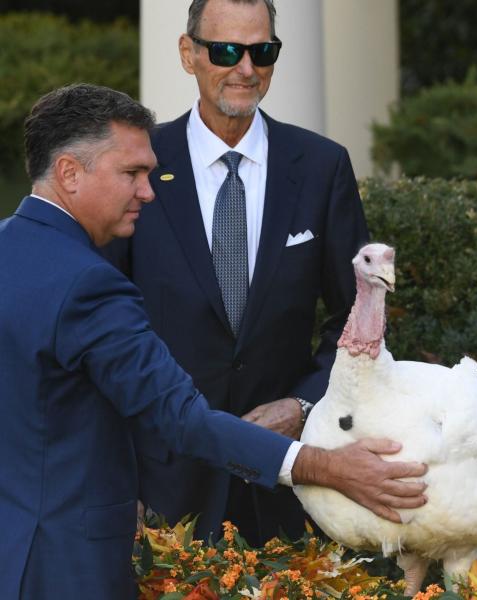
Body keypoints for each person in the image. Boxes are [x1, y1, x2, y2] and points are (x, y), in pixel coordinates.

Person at [0, 83, 426, 599]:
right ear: (70, 173)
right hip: (66, 571)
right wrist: (326, 466)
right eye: (131, 173)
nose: (149, 191)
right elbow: (182, 420)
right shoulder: (91, 284)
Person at [102, 0, 369, 545]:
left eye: (262, 51)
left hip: (287, 482)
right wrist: (113, 478)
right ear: (188, 53)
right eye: (226, 50)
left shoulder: (321, 166)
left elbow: (360, 317)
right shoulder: (139, 162)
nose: (246, 68)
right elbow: (104, 330)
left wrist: (303, 404)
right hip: (162, 484)